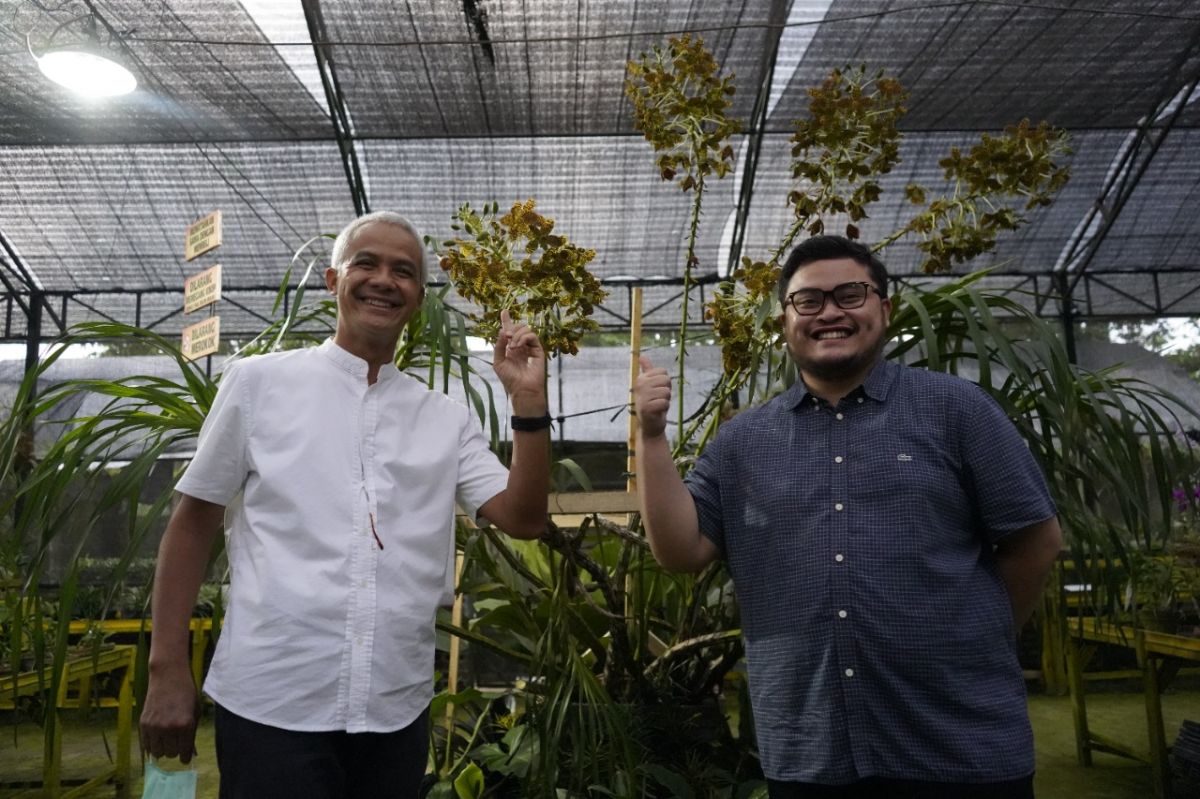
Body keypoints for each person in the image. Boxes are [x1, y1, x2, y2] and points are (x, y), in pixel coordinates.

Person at [139, 211, 551, 798]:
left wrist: (529, 401)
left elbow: (524, 517)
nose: (384, 279)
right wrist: (167, 670)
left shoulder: (445, 418)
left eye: (403, 271)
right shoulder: (258, 384)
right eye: (367, 263)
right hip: (272, 704)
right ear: (334, 281)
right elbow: (193, 522)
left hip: (393, 712)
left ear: (418, 299)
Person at [634, 235, 1062, 798]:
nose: (829, 312)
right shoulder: (742, 441)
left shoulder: (957, 410)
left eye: (850, 294)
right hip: (811, 750)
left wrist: (980, 632)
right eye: (808, 300)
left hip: (960, 743)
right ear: (785, 320)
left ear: (884, 309)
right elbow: (680, 551)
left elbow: (1036, 540)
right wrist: (651, 434)